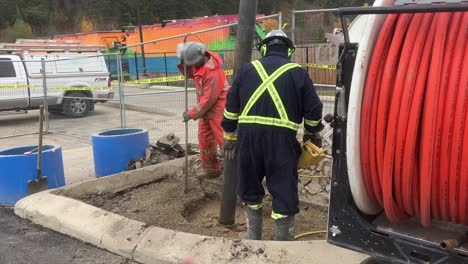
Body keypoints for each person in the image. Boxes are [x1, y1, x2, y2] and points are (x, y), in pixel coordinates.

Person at [221, 30, 324, 241]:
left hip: (248, 140)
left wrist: (229, 135)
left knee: (250, 188)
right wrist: (310, 135)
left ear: (264, 49)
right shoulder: (298, 72)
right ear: (289, 51)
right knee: (284, 189)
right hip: (282, 142)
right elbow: (314, 110)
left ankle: (253, 237)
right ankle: (282, 245)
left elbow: (231, 106)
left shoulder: (246, 70)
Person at [178, 42, 229, 178]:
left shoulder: (213, 73)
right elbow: (188, 73)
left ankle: (235, 171)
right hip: (205, 113)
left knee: (225, 142)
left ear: (201, 57)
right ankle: (212, 170)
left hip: (218, 112)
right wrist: (183, 61)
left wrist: (191, 113)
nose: (192, 65)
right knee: (205, 140)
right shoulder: (199, 64)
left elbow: (208, 100)